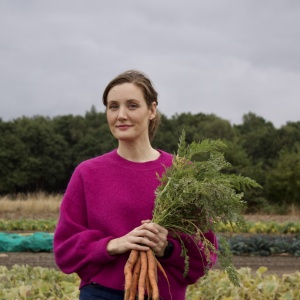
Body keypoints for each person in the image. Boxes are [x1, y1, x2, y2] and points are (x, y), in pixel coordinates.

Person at [54, 70, 218, 300]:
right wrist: (113, 245)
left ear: (152, 110)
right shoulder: (88, 173)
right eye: (113, 106)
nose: (121, 115)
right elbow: (65, 250)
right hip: (101, 295)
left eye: (132, 105)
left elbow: (205, 254)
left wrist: (167, 248)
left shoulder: (183, 173)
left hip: (165, 294)